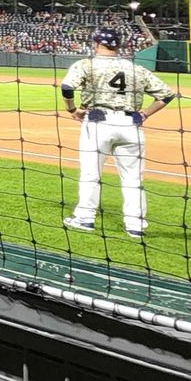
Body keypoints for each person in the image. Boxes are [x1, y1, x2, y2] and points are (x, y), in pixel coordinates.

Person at [60, 29, 176, 239]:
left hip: (98, 124)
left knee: (90, 174)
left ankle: (85, 218)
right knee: (133, 178)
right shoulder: (135, 68)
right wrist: (145, 114)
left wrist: (72, 109)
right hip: (130, 126)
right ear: (118, 46)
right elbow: (166, 95)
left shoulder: (87, 64)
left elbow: (67, 87)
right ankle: (135, 225)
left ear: (96, 44)